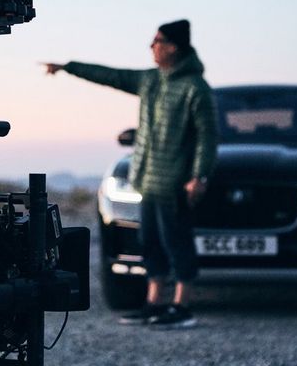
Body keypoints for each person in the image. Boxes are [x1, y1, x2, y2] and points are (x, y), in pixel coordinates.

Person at [43, 19, 218, 328]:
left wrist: (199, 177)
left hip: (175, 182)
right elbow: (111, 75)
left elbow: (207, 137)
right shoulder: (151, 80)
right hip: (147, 182)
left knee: (177, 243)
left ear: (174, 46)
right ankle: (154, 304)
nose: (152, 46)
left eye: (158, 41)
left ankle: (182, 306)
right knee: (149, 243)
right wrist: (68, 67)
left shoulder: (195, 88)